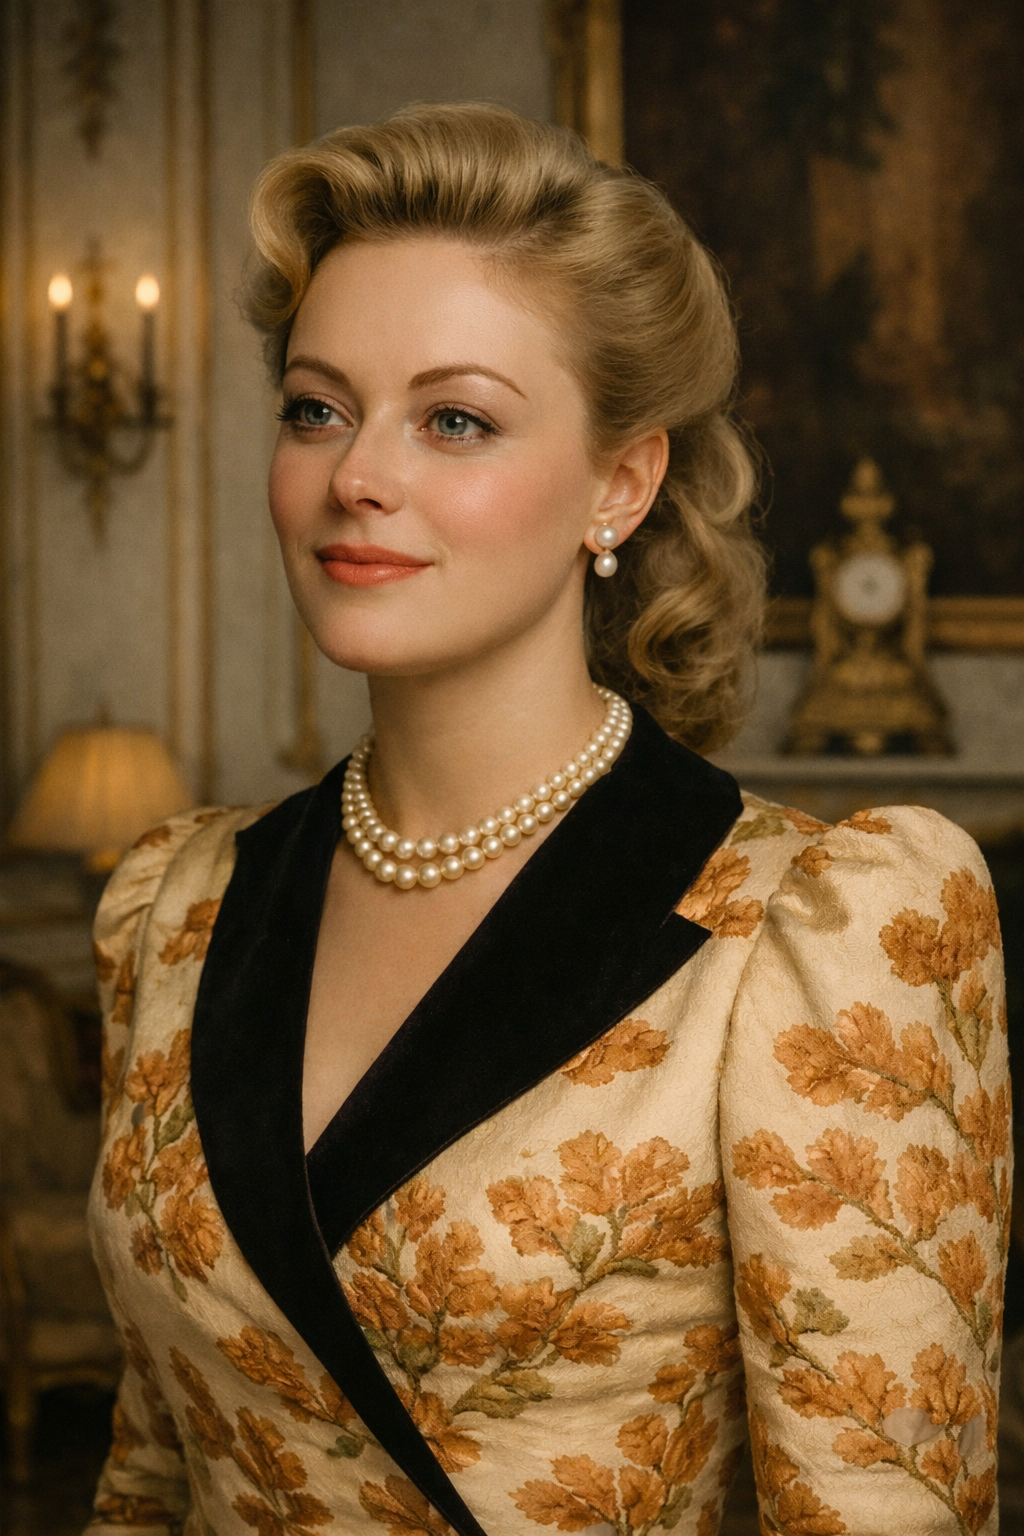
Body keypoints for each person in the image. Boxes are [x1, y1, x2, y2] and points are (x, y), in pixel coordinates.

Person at [86, 104, 1008, 1536]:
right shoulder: (175, 906)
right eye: (317, 407)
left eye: (454, 418)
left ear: (621, 482)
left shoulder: (812, 928)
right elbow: (154, 1463)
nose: (358, 477)